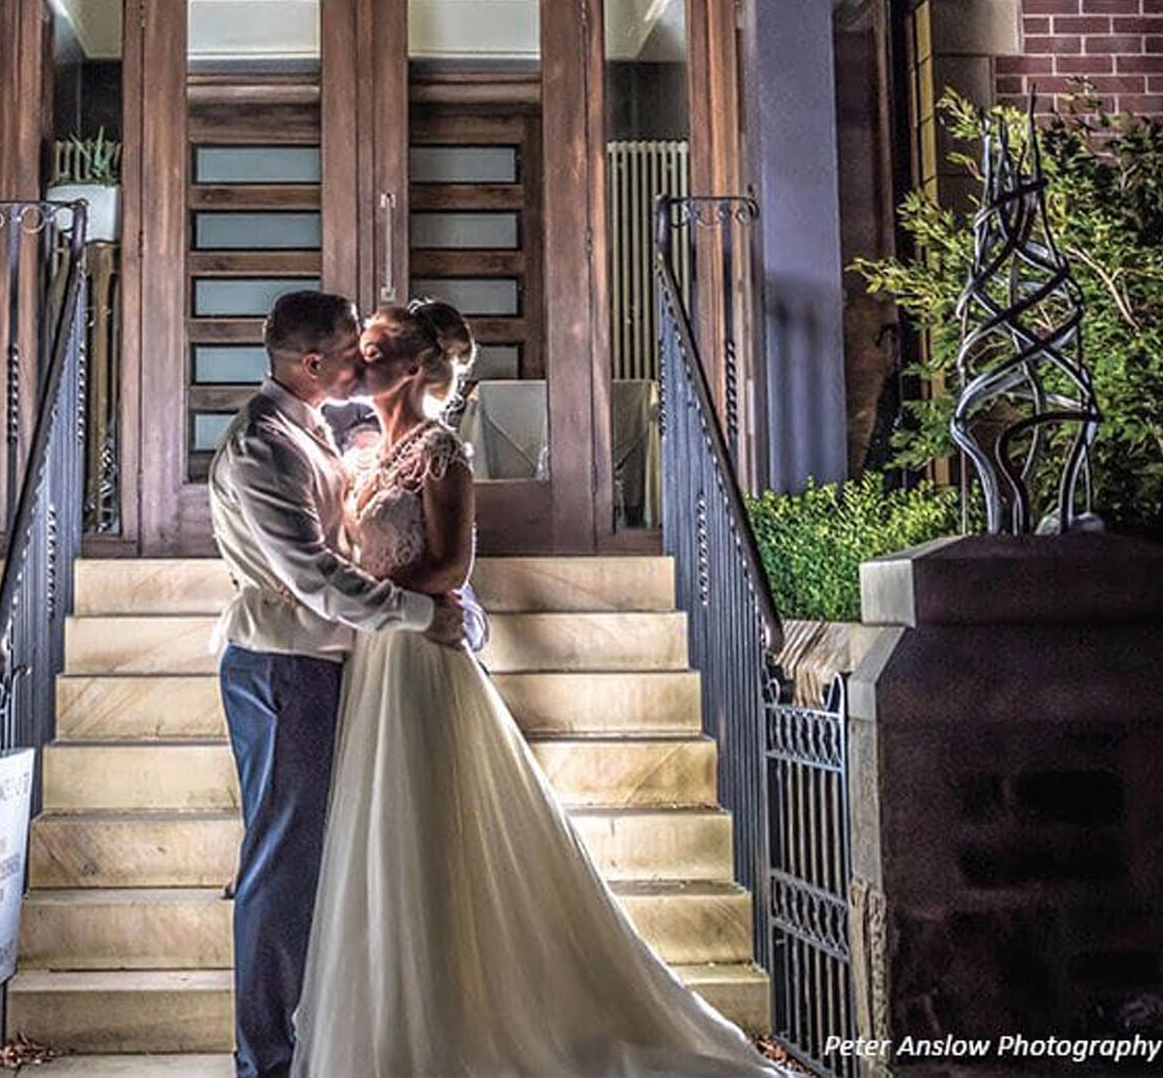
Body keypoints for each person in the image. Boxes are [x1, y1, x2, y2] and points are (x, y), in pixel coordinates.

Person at [292, 298, 784, 1078]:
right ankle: (394, 1015)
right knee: (379, 830)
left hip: (420, 656)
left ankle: (458, 1020)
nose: (359, 356)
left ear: (413, 368)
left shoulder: (439, 455)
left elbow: (452, 566)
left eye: (375, 347)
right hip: (374, 658)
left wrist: (389, 606)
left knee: (423, 825)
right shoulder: (366, 456)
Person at [209, 290, 467, 1078]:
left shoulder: (315, 431)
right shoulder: (264, 444)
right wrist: (418, 615)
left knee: (312, 865)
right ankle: (265, 1064)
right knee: (280, 874)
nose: (365, 356)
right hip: (284, 666)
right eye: (354, 346)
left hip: (326, 664)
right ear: (313, 362)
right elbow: (316, 577)